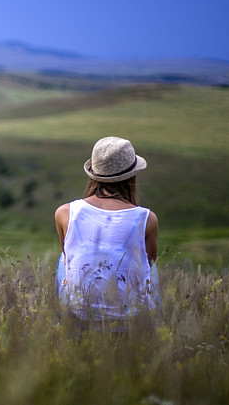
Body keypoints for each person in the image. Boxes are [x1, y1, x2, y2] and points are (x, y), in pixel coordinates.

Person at [54, 136, 160, 325]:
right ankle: (156, 325)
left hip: (81, 315)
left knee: (63, 261)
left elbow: (67, 255)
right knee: (150, 267)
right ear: (131, 176)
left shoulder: (64, 213)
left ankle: (62, 323)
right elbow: (150, 262)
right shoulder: (147, 218)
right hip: (131, 319)